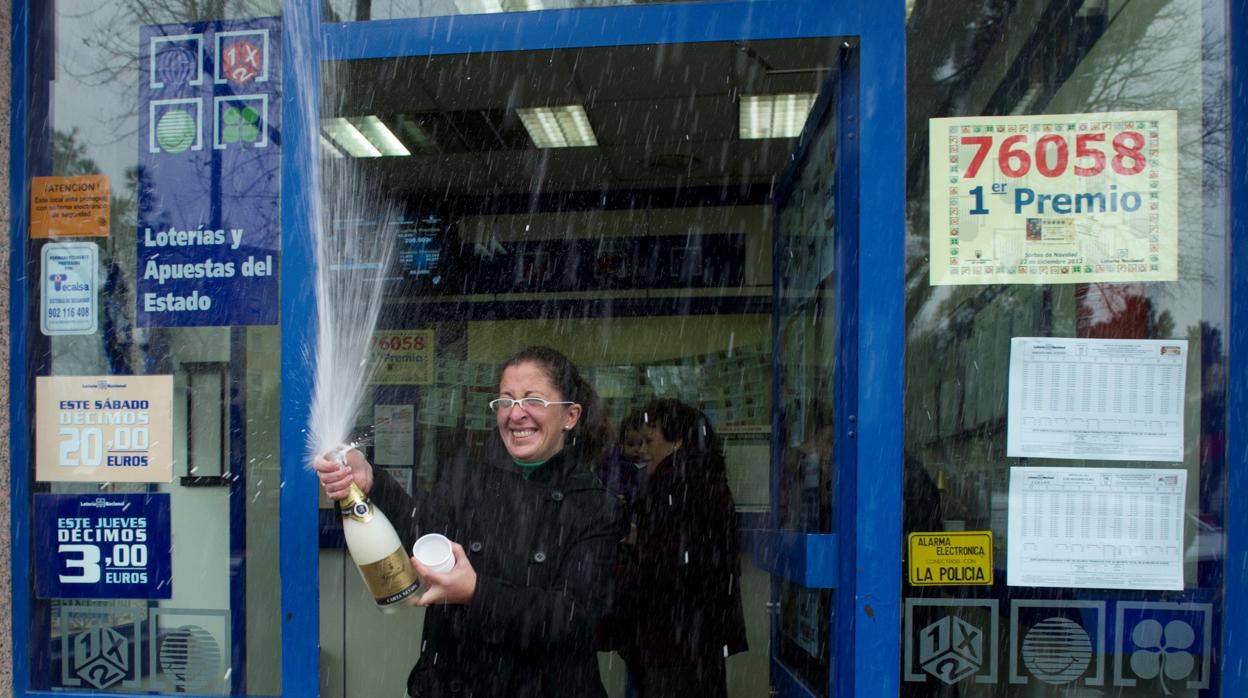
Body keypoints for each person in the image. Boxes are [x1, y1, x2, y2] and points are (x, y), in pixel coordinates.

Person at [314, 346, 625, 698]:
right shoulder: (467, 477)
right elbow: (422, 533)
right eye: (505, 401)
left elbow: (574, 618)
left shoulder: (596, 506)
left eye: (532, 400)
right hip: (454, 683)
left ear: (570, 416)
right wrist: (373, 481)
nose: (516, 414)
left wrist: (478, 594)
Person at [611, 398, 748, 698]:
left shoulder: (675, 482)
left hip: (672, 636)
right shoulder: (702, 477)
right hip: (695, 635)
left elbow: (666, 559)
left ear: (677, 442)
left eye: (649, 441)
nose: (643, 451)